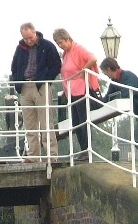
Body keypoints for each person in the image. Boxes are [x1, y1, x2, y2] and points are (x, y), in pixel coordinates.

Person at [10, 23, 62, 162]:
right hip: (25, 87)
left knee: (46, 122)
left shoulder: (47, 46)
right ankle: (33, 155)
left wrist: (46, 79)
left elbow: (56, 65)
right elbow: (14, 67)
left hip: (41, 86)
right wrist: (18, 82)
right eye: (25, 38)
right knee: (29, 123)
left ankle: (51, 155)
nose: (28, 40)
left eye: (30, 37)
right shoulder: (20, 48)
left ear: (35, 33)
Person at [52, 28, 99, 157]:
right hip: (71, 92)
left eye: (61, 42)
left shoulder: (78, 49)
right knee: (76, 122)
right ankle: (83, 150)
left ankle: (87, 150)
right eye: (58, 44)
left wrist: (83, 71)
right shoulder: (66, 54)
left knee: (83, 120)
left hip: (81, 90)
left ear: (68, 39)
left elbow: (93, 58)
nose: (60, 46)